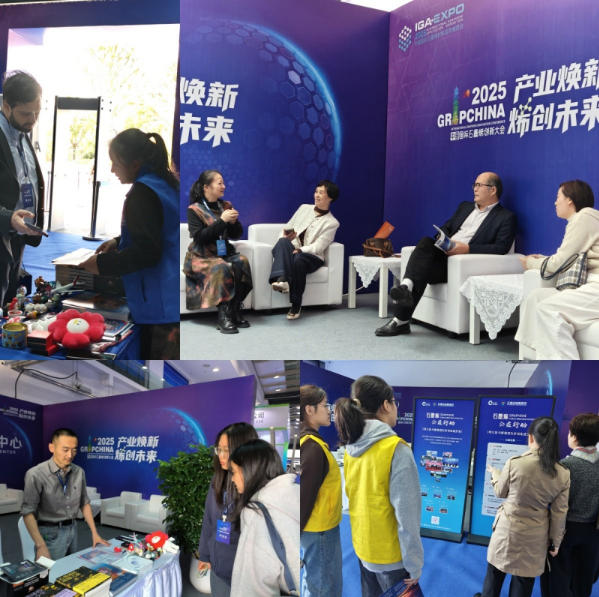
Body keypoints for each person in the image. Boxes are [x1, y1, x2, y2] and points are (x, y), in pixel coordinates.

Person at [79, 128, 180, 359]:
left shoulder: (143, 193)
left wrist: (102, 264)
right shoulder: (165, 183)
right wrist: (118, 241)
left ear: (135, 164)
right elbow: (158, 230)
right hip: (171, 292)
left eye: (115, 163)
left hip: (158, 301)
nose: (112, 170)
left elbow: (147, 252)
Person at [375, 172, 517, 336]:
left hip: (460, 267)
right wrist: (442, 239)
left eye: (479, 185)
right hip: (442, 256)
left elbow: (501, 247)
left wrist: (467, 249)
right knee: (426, 243)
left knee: (420, 267)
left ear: (493, 190)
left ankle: (401, 316)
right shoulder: (465, 207)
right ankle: (406, 290)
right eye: (474, 185)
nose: (475, 189)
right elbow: (447, 227)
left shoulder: (505, 217)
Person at [334, 375, 423, 597]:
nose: (396, 407)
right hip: (391, 558)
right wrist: (414, 563)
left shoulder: (351, 448)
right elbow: (407, 516)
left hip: (363, 548)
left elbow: (351, 499)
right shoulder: (396, 449)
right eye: (394, 402)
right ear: (386, 405)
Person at [473, 416, 570, 597]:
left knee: (495, 574)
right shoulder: (563, 473)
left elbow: (500, 492)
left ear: (531, 437)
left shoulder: (515, 463)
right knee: (523, 581)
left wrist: (495, 474)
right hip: (536, 535)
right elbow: (559, 513)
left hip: (507, 530)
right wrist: (555, 543)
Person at [515, 180, 599, 359]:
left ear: (570, 200)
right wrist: (541, 259)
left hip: (596, 285)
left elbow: (558, 263)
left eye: (558, 197)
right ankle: (535, 358)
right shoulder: (584, 220)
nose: (555, 202)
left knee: (547, 309)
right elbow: (566, 258)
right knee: (535, 297)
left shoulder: (585, 217)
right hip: (590, 285)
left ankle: (567, 370)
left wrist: (530, 263)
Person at [21, 428, 109, 560]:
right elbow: (28, 512)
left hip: (72, 529)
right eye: (65, 449)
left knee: (69, 568)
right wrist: (40, 545)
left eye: (74, 450)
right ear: (52, 447)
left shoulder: (79, 472)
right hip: (49, 533)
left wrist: (94, 533)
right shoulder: (35, 474)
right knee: (50, 570)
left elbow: (84, 503)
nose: (70, 455)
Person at [184, 170, 252, 334]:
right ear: (206, 187)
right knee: (221, 267)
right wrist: (222, 221)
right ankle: (223, 317)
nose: (224, 186)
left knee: (242, 262)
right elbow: (200, 237)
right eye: (219, 183)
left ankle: (234, 310)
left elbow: (236, 234)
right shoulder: (194, 209)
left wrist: (234, 223)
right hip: (202, 256)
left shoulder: (225, 206)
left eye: (223, 183)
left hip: (223, 253)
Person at [229, 439, 299, 597]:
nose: (232, 479)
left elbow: (253, 586)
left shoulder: (256, 512)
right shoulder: (295, 492)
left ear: (249, 471)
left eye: (234, 472)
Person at [540, 413, 599, 597]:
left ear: (573, 437)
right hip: (593, 531)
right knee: (584, 577)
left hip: (565, 530)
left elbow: (553, 501)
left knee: (557, 576)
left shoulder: (565, 466)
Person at [197, 422, 259, 597]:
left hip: (245, 575)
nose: (222, 456)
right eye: (219, 450)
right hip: (219, 568)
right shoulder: (218, 479)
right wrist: (205, 555)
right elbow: (209, 521)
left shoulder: (256, 487)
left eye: (227, 450)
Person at [0, 71, 45, 308]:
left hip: (18, 235)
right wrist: (8, 218)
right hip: (3, 229)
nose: (33, 119)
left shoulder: (21, 133)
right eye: (26, 113)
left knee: (10, 304)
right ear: (6, 106)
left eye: (37, 112)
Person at [269, 180, 340, 320]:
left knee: (299, 259)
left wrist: (301, 250)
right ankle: (282, 280)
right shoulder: (304, 208)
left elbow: (319, 246)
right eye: (316, 192)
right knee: (282, 242)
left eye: (321, 193)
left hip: (312, 256)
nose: (317, 195)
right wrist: (286, 237)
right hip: (293, 249)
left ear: (330, 198)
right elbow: (287, 227)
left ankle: (296, 304)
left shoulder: (332, 223)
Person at [300, 385, 342, 597]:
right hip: (320, 531)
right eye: (325, 405)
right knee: (324, 586)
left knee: (314, 581)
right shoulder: (312, 447)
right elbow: (304, 495)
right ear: (310, 410)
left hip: (316, 529)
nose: (329, 410)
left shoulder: (304, 441)